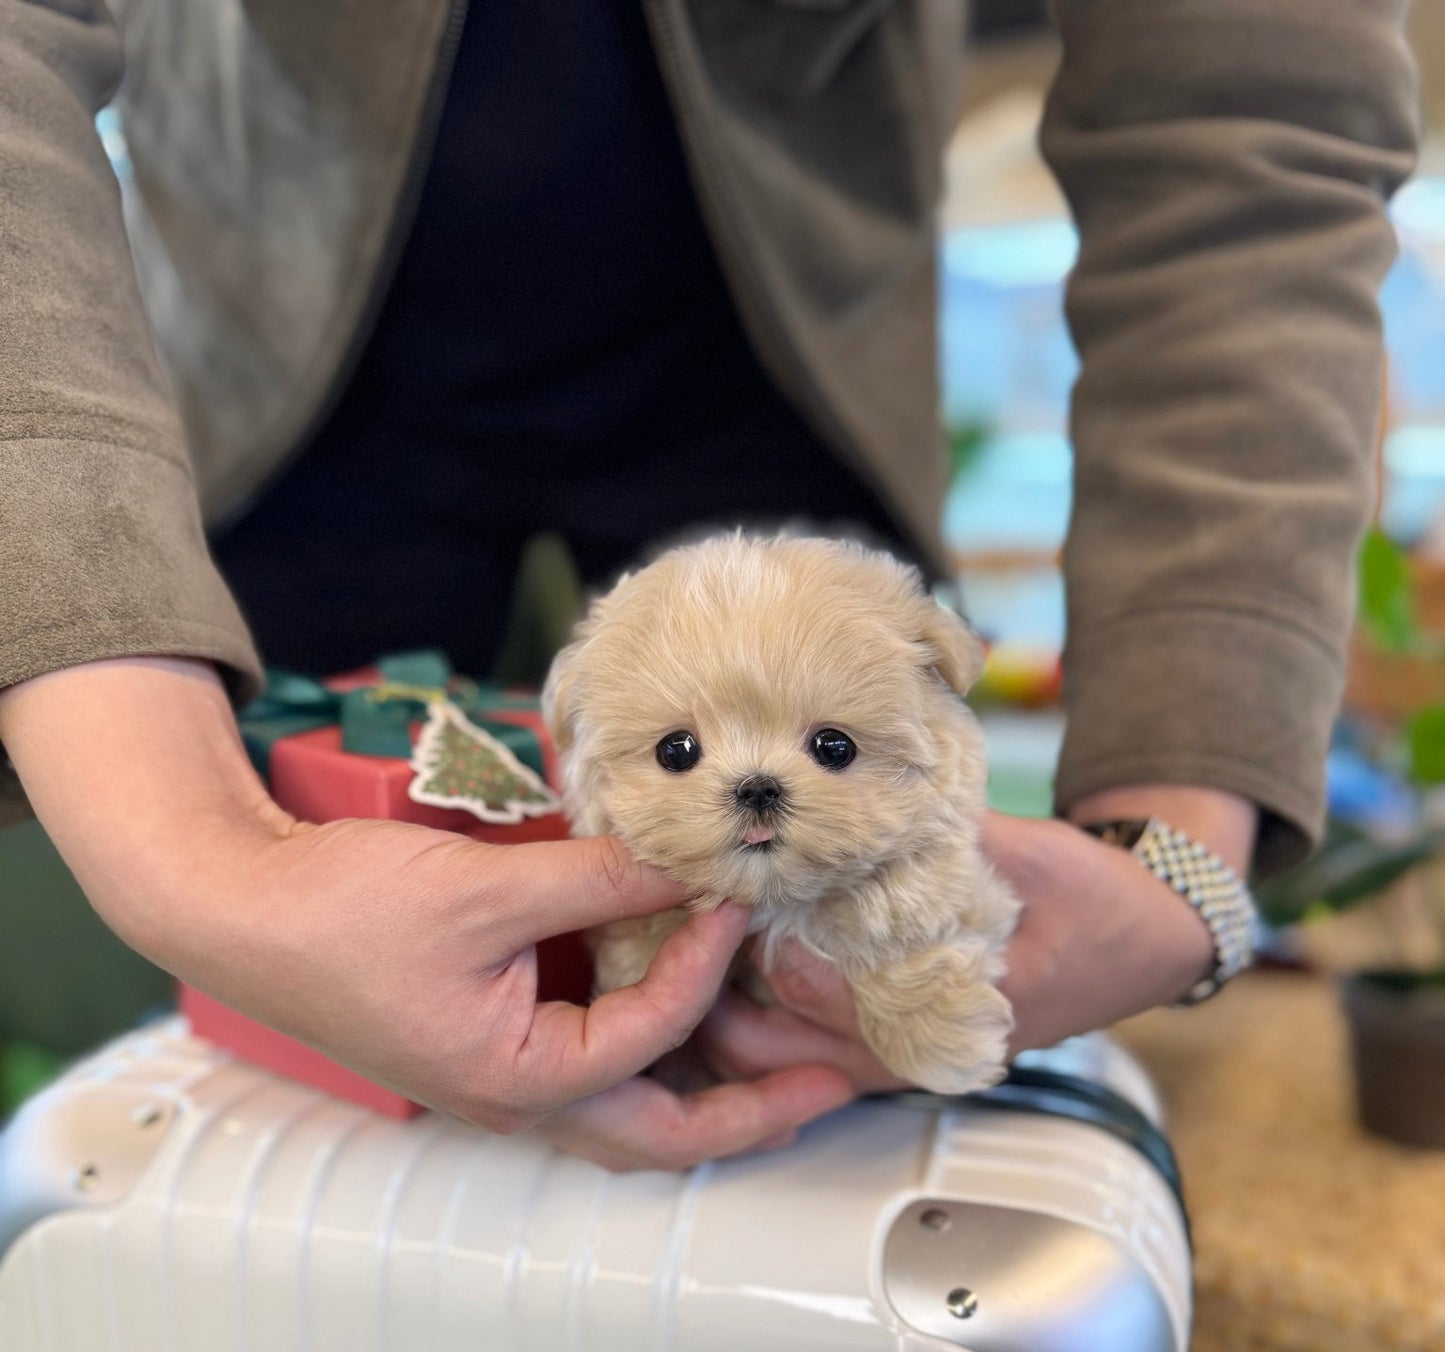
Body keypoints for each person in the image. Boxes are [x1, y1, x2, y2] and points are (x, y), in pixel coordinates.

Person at [0, 0, 1418, 1170]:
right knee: (279, 1121)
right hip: (269, 378)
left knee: (829, 1123)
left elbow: (1245, 112)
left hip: (789, 366)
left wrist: (1180, 849)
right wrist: (193, 859)